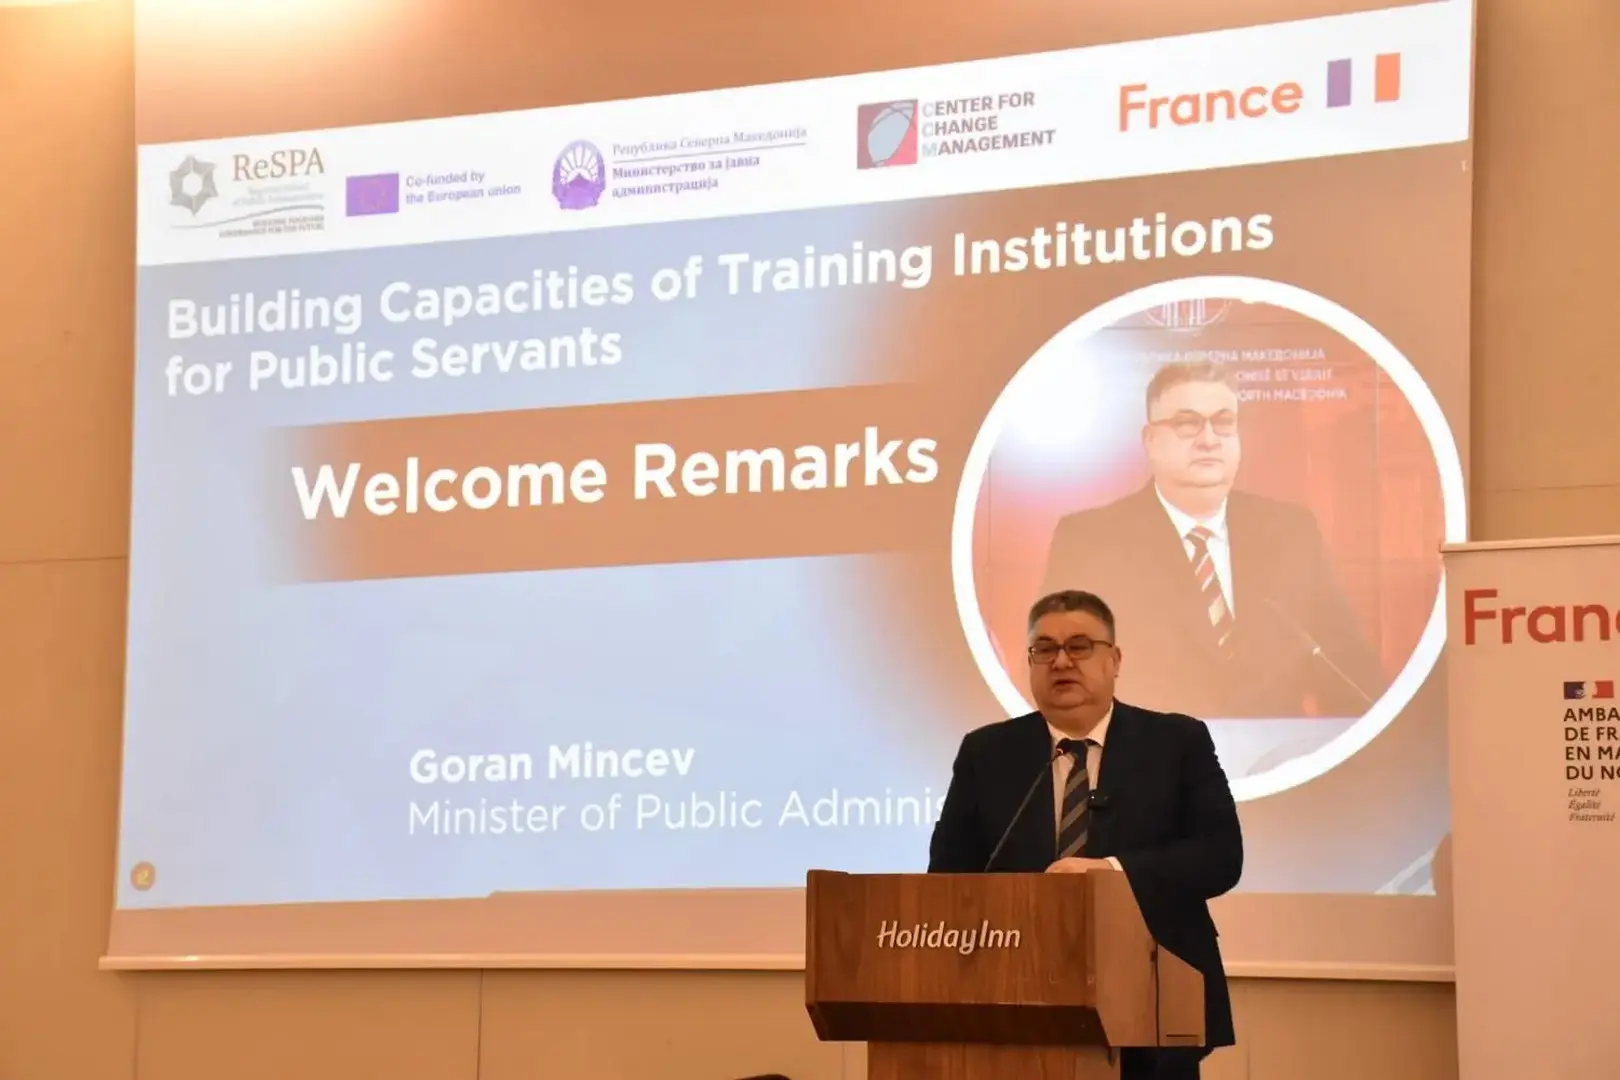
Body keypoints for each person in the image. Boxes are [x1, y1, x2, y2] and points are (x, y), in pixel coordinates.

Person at [929, 589, 1242, 1080]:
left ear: (1114, 660)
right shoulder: (986, 753)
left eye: (1079, 646)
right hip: (1017, 1002)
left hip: (1155, 1000)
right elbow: (947, 877)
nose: (1061, 661)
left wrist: (1111, 872)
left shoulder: (1176, 742)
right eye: (1044, 649)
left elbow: (1220, 857)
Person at [1040, 359, 1383, 720]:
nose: (1208, 440)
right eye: (1187, 424)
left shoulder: (1291, 532)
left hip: (1280, 753)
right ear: (1151, 441)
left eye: (1223, 423)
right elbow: (1054, 679)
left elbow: (1347, 668)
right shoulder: (1091, 542)